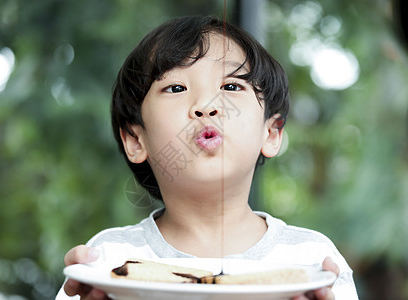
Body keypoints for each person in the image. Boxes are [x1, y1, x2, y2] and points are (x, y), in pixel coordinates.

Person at [56, 15, 358, 300]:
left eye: (231, 86)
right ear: (135, 139)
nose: (206, 105)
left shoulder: (312, 261)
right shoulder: (107, 260)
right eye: (176, 88)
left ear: (271, 133)